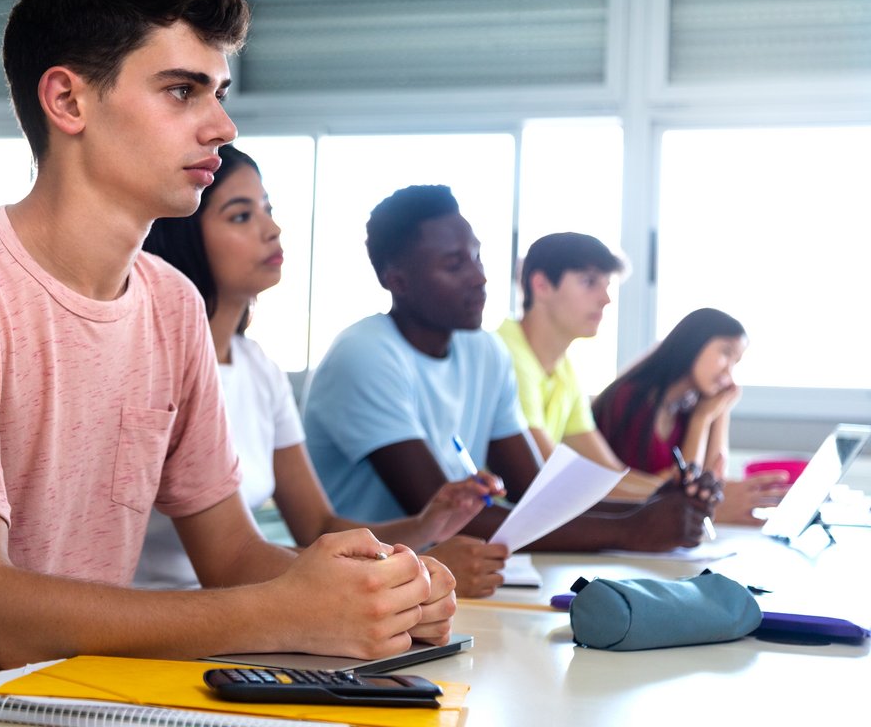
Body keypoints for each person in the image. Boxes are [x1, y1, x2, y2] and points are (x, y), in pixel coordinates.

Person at [0, 0, 454, 719]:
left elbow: (233, 556)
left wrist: (376, 594)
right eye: (181, 91)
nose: (222, 125)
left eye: (219, 92)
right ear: (68, 100)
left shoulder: (172, 304)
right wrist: (287, 611)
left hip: (73, 686)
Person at [136, 145, 503, 597]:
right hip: (167, 615)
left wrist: (426, 525)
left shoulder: (257, 368)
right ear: (185, 236)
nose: (272, 229)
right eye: (240, 216)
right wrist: (409, 568)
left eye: (267, 210)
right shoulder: (152, 362)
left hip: (235, 607)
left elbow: (317, 526)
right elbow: (233, 562)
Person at [304, 184, 716, 554]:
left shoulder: (485, 351)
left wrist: (658, 504)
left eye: (477, 256)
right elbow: (436, 515)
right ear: (398, 280)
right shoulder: (367, 354)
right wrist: (632, 529)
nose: (479, 277)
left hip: (443, 571)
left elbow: (535, 494)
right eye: (454, 265)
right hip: (361, 573)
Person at [497, 232, 662, 500]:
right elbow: (552, 476)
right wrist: (668, 502)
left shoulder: (564, 369)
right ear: (540, 285)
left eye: (607, 284)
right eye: (589, 282)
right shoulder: (504, 354)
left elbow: (609, 472)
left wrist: (677, 495)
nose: (606, 298)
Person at [592, 307, 788, 525]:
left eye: (735, 363)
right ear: (694, 343)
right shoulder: (630, 398)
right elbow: (684, 489)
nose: (728, 373)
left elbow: (710, 478)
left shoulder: (690, 405)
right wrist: (701, 420)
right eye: (725, 353)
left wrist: (720, 412)